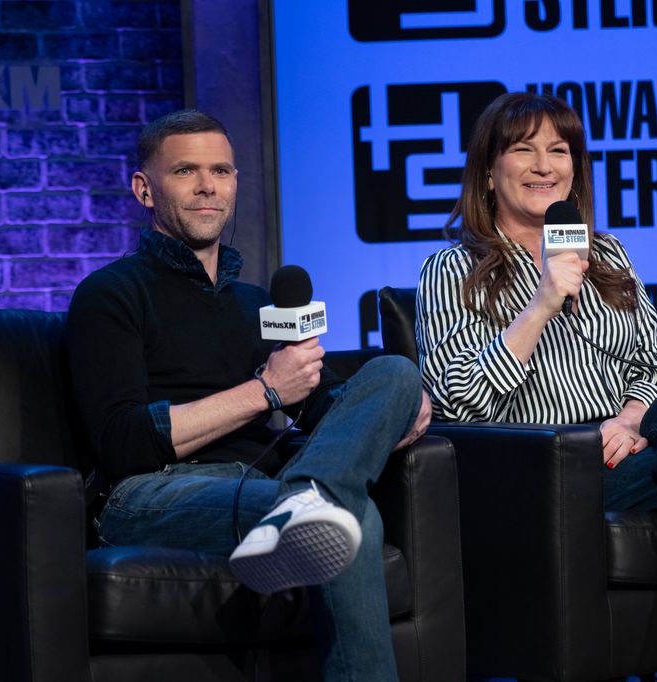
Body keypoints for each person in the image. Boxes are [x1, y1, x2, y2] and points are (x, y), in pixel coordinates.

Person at [415, 92, 657, 682]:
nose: (544, 166)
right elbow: (458, 401)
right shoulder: (452, 271)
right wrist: (542, 301)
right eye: (524, 150)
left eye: (559, 151)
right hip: (537, 472)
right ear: (488, 172)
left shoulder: (608, 256)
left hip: (627, 454)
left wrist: (634, 418)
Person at [67, 109, 431, 681]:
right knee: (349, 516)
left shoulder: (259, 303)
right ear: (144, 189)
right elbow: (122, 443)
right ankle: (309, 502)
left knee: (394, 371)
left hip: (264, 481)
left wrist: (398, 404)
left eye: (221, 171)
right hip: (154, 492)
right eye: (185, 171)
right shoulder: (109, 294)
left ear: (236, 182)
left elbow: (321, 408)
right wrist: (265, 390)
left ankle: (305, 499)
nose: (207, 186)